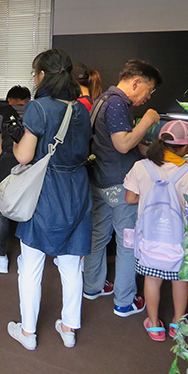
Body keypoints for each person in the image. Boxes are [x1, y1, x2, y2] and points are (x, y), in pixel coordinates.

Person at [7, 49, 92, 350]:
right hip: (78, 189)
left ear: (42, 75)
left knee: (30, 264)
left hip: (46, 191)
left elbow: (24, 155)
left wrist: (16, 139)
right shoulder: (82, 108)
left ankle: (28, 333)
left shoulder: (38, 108)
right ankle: (68, 328)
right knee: (71, 266)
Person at [83, 59, 162, 318]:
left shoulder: (102, 100)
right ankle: (124, 302)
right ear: (136, 82)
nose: (147, 97)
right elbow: (122, 144)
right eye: (148, 91)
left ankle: (93, 286)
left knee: (98, 238)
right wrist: (148, 120)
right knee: (128, 243)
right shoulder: (118, 103)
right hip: (120, 186)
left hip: (100, 181)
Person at [124, 121, 188, 341]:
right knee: (181, 280)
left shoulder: (142, 166)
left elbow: (130, 198)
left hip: (149, 237)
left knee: (152, 279)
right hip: (180, 239)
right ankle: (178, 324)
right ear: (185, 147)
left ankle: (153, 325)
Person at [0, 85, 31, 274]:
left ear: (10, 100)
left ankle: (1, 258)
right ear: (27, 100)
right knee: (28, 209)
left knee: (1, 209)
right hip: (30, 162)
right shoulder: (35, 111)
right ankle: (26, 259)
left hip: (7, 160)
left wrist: (1, 168)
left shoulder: (1, 113)